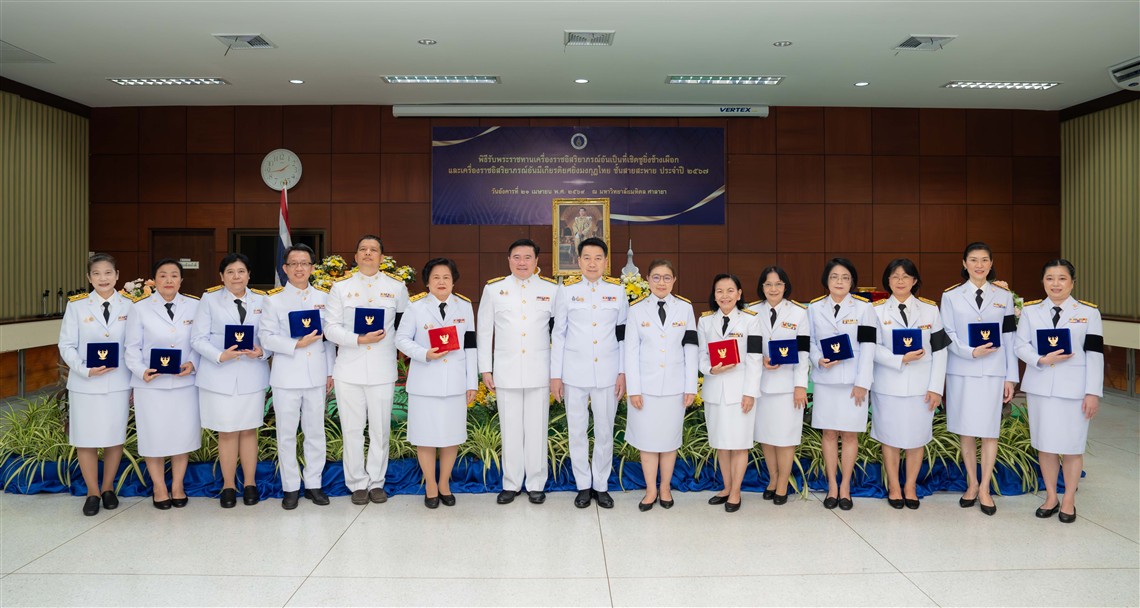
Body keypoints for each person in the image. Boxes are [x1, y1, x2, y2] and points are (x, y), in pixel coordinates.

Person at [1015, 259, 1103, 524]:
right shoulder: (1031, 311)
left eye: (1062, 278)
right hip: (1041, 388)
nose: (1056, 284)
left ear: (1072, 283)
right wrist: (1041, 359)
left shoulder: (1088, 313)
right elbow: (1020, 345)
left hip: (1075, 391)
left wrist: (1092, 392)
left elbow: (1095, 354)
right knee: (1046, 445)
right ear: (1043, 282)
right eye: (1050, 278)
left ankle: (1069, 499)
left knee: (1073, 446)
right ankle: (1051, 496)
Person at [325, 235, 410, 505]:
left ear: (382, 257)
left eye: (373, 250)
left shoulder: (397, 288)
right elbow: (330, 328)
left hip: (382, 370)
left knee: (380, 430)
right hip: (348, 370)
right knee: (351, 429)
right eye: (363, 249)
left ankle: (376, 482)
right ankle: (357, 483)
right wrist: (358, 339)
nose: (368, 253)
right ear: (356, 256)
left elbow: (405, 327)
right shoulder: (340, 288)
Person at [477, 238, 560, 505]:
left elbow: (560, 334)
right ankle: (511, 484)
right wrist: (485, 368)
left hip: (539, 370)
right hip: (506, 371)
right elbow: (484, 331)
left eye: (527, 257)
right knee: (510, 429)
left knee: (537, 430)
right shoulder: (494, 289)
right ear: (508, 260)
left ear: (536, 261)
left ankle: (536, 483)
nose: (522, 262)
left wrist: (557, 372)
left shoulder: (552, 290)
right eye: (516, 257)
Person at [940, 242, 1019, 516]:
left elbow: (1009, 337)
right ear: (964, 263)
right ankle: (972, 484)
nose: (979, 265)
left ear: (991, 263)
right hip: (962, 369)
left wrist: (1011, 377)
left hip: (994, 372)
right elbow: (947, 333)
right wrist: (970, 352)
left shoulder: (1003, 296)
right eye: (973, 260)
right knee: (966, 429)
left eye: (984, 260)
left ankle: (985, 488)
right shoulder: (951, 296)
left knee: (989, 430)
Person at [550, 237, 627, 509]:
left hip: (608, 373)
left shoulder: (618, 291)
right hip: (574, 373)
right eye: (587, 258)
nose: (592, 263)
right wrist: (556, 375)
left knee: (605, 431)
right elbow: (558, 334)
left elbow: (623, 335)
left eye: (598, 258)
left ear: (606, 262)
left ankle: (601, 485)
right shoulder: (566, 291)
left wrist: (622, 372)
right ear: (579, 261)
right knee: (577, 430)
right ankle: (583, 485)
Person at [395, 258, 479, 508]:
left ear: (453, 281)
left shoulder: (464, 306)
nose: (441, 282)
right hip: (424, 383)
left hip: (455, 382)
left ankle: (444, 484)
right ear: (427, 282)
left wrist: (471, 383)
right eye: (436, 277)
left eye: (446, 277)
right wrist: (424, 353)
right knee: (426, 436)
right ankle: (430, 485)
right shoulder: (415, 307)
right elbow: (401, 339)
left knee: (452, 436)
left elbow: (471, 346)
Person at [259, 244, 335, 510]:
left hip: (316, 375)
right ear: (285, 268)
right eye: (294, 264)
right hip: (286, 376)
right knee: (287, 434)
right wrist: (296, 344)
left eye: (305, 263)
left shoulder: (325, 298)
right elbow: (266, 337)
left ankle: (314, 484)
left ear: (312, 268)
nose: (299, 268)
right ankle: (290, 487)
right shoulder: (273, 300)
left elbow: (329, 340)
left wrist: (330, 371)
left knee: (315, 432)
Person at [192, 253, 270, 508]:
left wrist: (263, 352)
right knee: (226, 432)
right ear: (221, 276)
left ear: (249, 275)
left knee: (248, 430)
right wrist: (220, 355)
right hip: (219, 376)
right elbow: (197, 338)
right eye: (230, 272)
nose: (236, 276)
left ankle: (250, 483)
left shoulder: (263, 300)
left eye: (241, 271)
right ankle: (228, 485)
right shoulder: (209, 300)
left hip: (251, 375)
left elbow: (271, 335)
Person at [870, 259, 950, 510]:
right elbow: (870, 348)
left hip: (921, 387)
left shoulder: (930, 310)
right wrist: (900, 359)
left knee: (917, 438)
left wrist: (936, 387)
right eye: (895, 276)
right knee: (889, 437)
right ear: (888, 281)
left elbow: (941, 351)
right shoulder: (876, 311)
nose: (900, 281)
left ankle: (910, 487)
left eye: (906, 276)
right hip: (888, 385)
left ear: (914, 281)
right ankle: (894, 487)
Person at [58, 253, 132, 516]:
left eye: (108, 272)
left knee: (114, 437)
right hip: (85, 384)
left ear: (117, 275)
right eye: (97, 273)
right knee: (86, 439)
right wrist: (85, 370)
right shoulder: (77, 306)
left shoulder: (130, 305)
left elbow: (134, 345)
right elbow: (66, 345)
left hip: (118, 382)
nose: (103, 278)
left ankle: (108, 488)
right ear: (89, 278)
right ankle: (92, 492)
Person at [124, 259, 201, 510]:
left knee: (183, 435)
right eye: (163, 275)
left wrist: (192, 363)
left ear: (181, 280)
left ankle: (177, 486)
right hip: (151, 384)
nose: (169, 280)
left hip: (184, 383)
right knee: (153, 436)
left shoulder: (195, 306)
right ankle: (159, 487)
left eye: (174, 275)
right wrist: (140, 371)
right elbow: (131, 347)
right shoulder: (139, 308)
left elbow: (200, 341)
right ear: (154, 280)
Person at [624, 259, 698, 511]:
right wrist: (634, 389)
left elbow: (691, 348)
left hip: (675, 387)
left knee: (669, 440)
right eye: (656, 277)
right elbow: (630, 352)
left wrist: (690, 386)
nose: (661, 282)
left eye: (667, 277)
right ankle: (650, 490)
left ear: (674, 280)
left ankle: (665, 488)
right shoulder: (636, 309)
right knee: (646, 441)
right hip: (645, 389)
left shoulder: (685, 308)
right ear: (647, 279)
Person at [807, 258, 876, 510]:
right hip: (826, 381)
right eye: (834, 277)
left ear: (852, 282)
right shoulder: (814, 308)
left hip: (852, 383)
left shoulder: (864, 308)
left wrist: (862, 382)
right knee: (828, 433)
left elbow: (869, 346)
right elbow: (809, 341)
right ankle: (832, 486)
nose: (839, 282)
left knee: (849, 434)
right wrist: (818, 359)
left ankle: (845, 487)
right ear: (826, 280)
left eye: (845, 277)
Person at [697, 274, 762, 512]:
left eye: (730, 290)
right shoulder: (705, 321)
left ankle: (736, 491)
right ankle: (726, 487)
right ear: (714, 295)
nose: (725, 296)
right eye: (720, 291)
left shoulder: (751, 320)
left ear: (739, 293)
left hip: (740, 392)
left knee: (740, 444)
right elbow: (701, 355)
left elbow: (755, 358)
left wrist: (750, 392)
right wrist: (710, 369)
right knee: (721, 443)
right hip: (715, 390)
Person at [747, 266, 810, 506]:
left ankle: (783, 482)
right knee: (766, 435)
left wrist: (801, 386)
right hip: (761, 385)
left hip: (788, 387)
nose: (773, 289)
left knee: (785, 437)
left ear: (785, 286)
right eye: (768, 284)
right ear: (761, 287)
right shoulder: (752, 311)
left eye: (778, 284)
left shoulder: (799, 313)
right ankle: (773, 479)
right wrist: (761, 360)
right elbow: (748, 347)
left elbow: (803, 351)